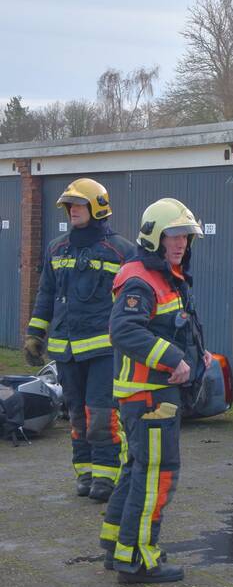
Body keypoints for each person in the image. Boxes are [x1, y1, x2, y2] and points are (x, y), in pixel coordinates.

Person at [99, 198, 210, 584]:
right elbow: (126, 330)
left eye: (185, 236)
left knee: (134, 474)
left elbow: (169, 326)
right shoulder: (141, 280)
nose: (181, 243)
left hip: (145, 398)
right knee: (156, 478)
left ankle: (116, 546)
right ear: (155, 237)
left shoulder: (165, 275)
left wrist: (198, 354)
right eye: (174, 236)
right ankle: (139, 561)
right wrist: (175, 360)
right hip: (150, 399)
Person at [24, 178, 134, 501]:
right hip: (66, 349)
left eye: (78, 205)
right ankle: (85, 473)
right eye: (69, 205)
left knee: (101, 414)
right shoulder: (57, 248)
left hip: (103, 351)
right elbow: (46, 293)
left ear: (97, 207)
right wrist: (35, 334)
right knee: (75, 415)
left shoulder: (122, 251)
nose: (72, 210)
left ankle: (107, 477)